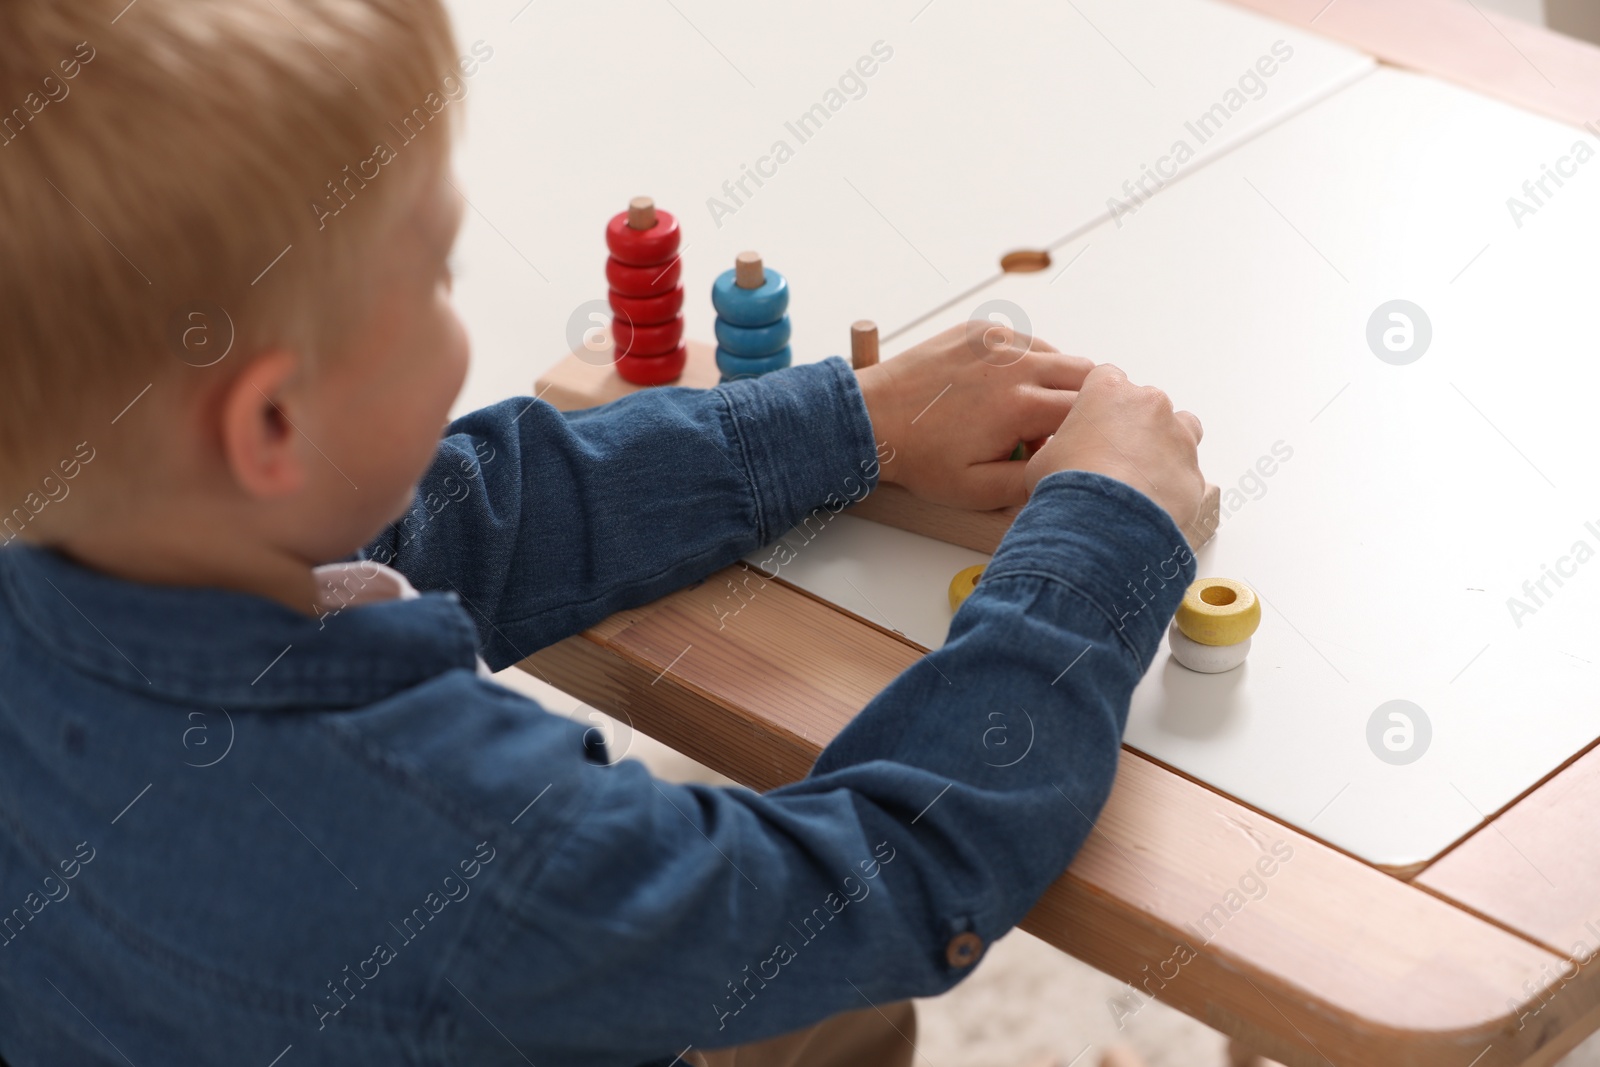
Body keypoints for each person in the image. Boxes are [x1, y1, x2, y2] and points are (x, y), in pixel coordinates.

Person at [0, 1, 1210, 1063]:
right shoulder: (469, 847)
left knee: (829, 1026)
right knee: (834, 1007)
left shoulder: (94, 540)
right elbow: (879, 878)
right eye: (435, 273)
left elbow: (465, 515)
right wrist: (1104, 542)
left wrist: (849, 421)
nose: (453, 300)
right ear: (271, 420)